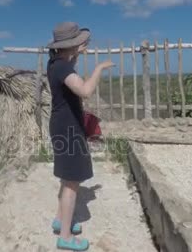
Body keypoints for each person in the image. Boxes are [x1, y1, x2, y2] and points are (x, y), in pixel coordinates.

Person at [46, 21, 114, 251]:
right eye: (80, 44)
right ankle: (65, 236)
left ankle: (60, 219)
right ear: (72, 45)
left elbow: (69, 65)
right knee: (72, 182)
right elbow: (84, 91)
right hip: (67, 128)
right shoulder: (63, 68)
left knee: (67, 178)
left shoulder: (56, 63)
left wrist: (77, 53)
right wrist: (99, 69)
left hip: (63, 125)